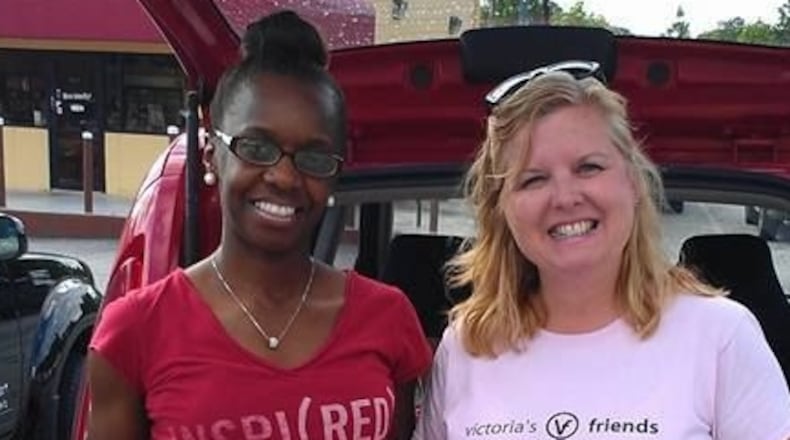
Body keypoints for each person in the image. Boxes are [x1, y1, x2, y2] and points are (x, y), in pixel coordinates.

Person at [88, 10, 431, 440]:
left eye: (313, 157)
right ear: (212, 157)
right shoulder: (135, 331)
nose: (284, 177)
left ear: (334, 174)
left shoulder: (386, 317)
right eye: (256, 147)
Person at [414, 60, 790, 439]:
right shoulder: (466, 346)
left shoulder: (719, 335)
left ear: (633, 182)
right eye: (533, 179)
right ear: (503, 210)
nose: (565, 197)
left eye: (589, 167)